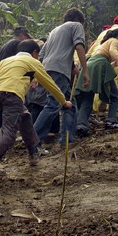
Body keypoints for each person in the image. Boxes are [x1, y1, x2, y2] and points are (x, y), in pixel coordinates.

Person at [0, 40, 72, 176]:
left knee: (24, 116)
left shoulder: (7, 61)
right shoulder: (33, 62)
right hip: (12, 95)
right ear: (34, 52)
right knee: (9, 131)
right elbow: (50, 84)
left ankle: (34, 151)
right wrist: (64, 102)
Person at [34, 8, 89, 146]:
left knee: (69, 104)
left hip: (48, 69)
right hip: (59, 71)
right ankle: (33, 138)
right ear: (78, 19)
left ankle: (67, 139)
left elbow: (43, 54)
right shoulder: (76, 25)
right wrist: (85, 71)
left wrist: (71, 67)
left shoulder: (54, 31)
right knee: (54, 104)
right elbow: (79, 46)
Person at [76, 29, 118, 136]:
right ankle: (111, 120)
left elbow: (102, 57)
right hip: (100, 65)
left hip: (89, 66)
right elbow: (112, 52)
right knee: (114, 95)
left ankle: (81, 125)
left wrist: (114, 63)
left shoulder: (100, 45)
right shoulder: (114, 40)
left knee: (88, 97)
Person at [0, 27, 32, 137]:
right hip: (9, 79)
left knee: (12, 105)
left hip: (0, 77)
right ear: (22, 35)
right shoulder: (17, 44)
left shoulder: (7, 45)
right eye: (26, 37)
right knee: (17, 104)